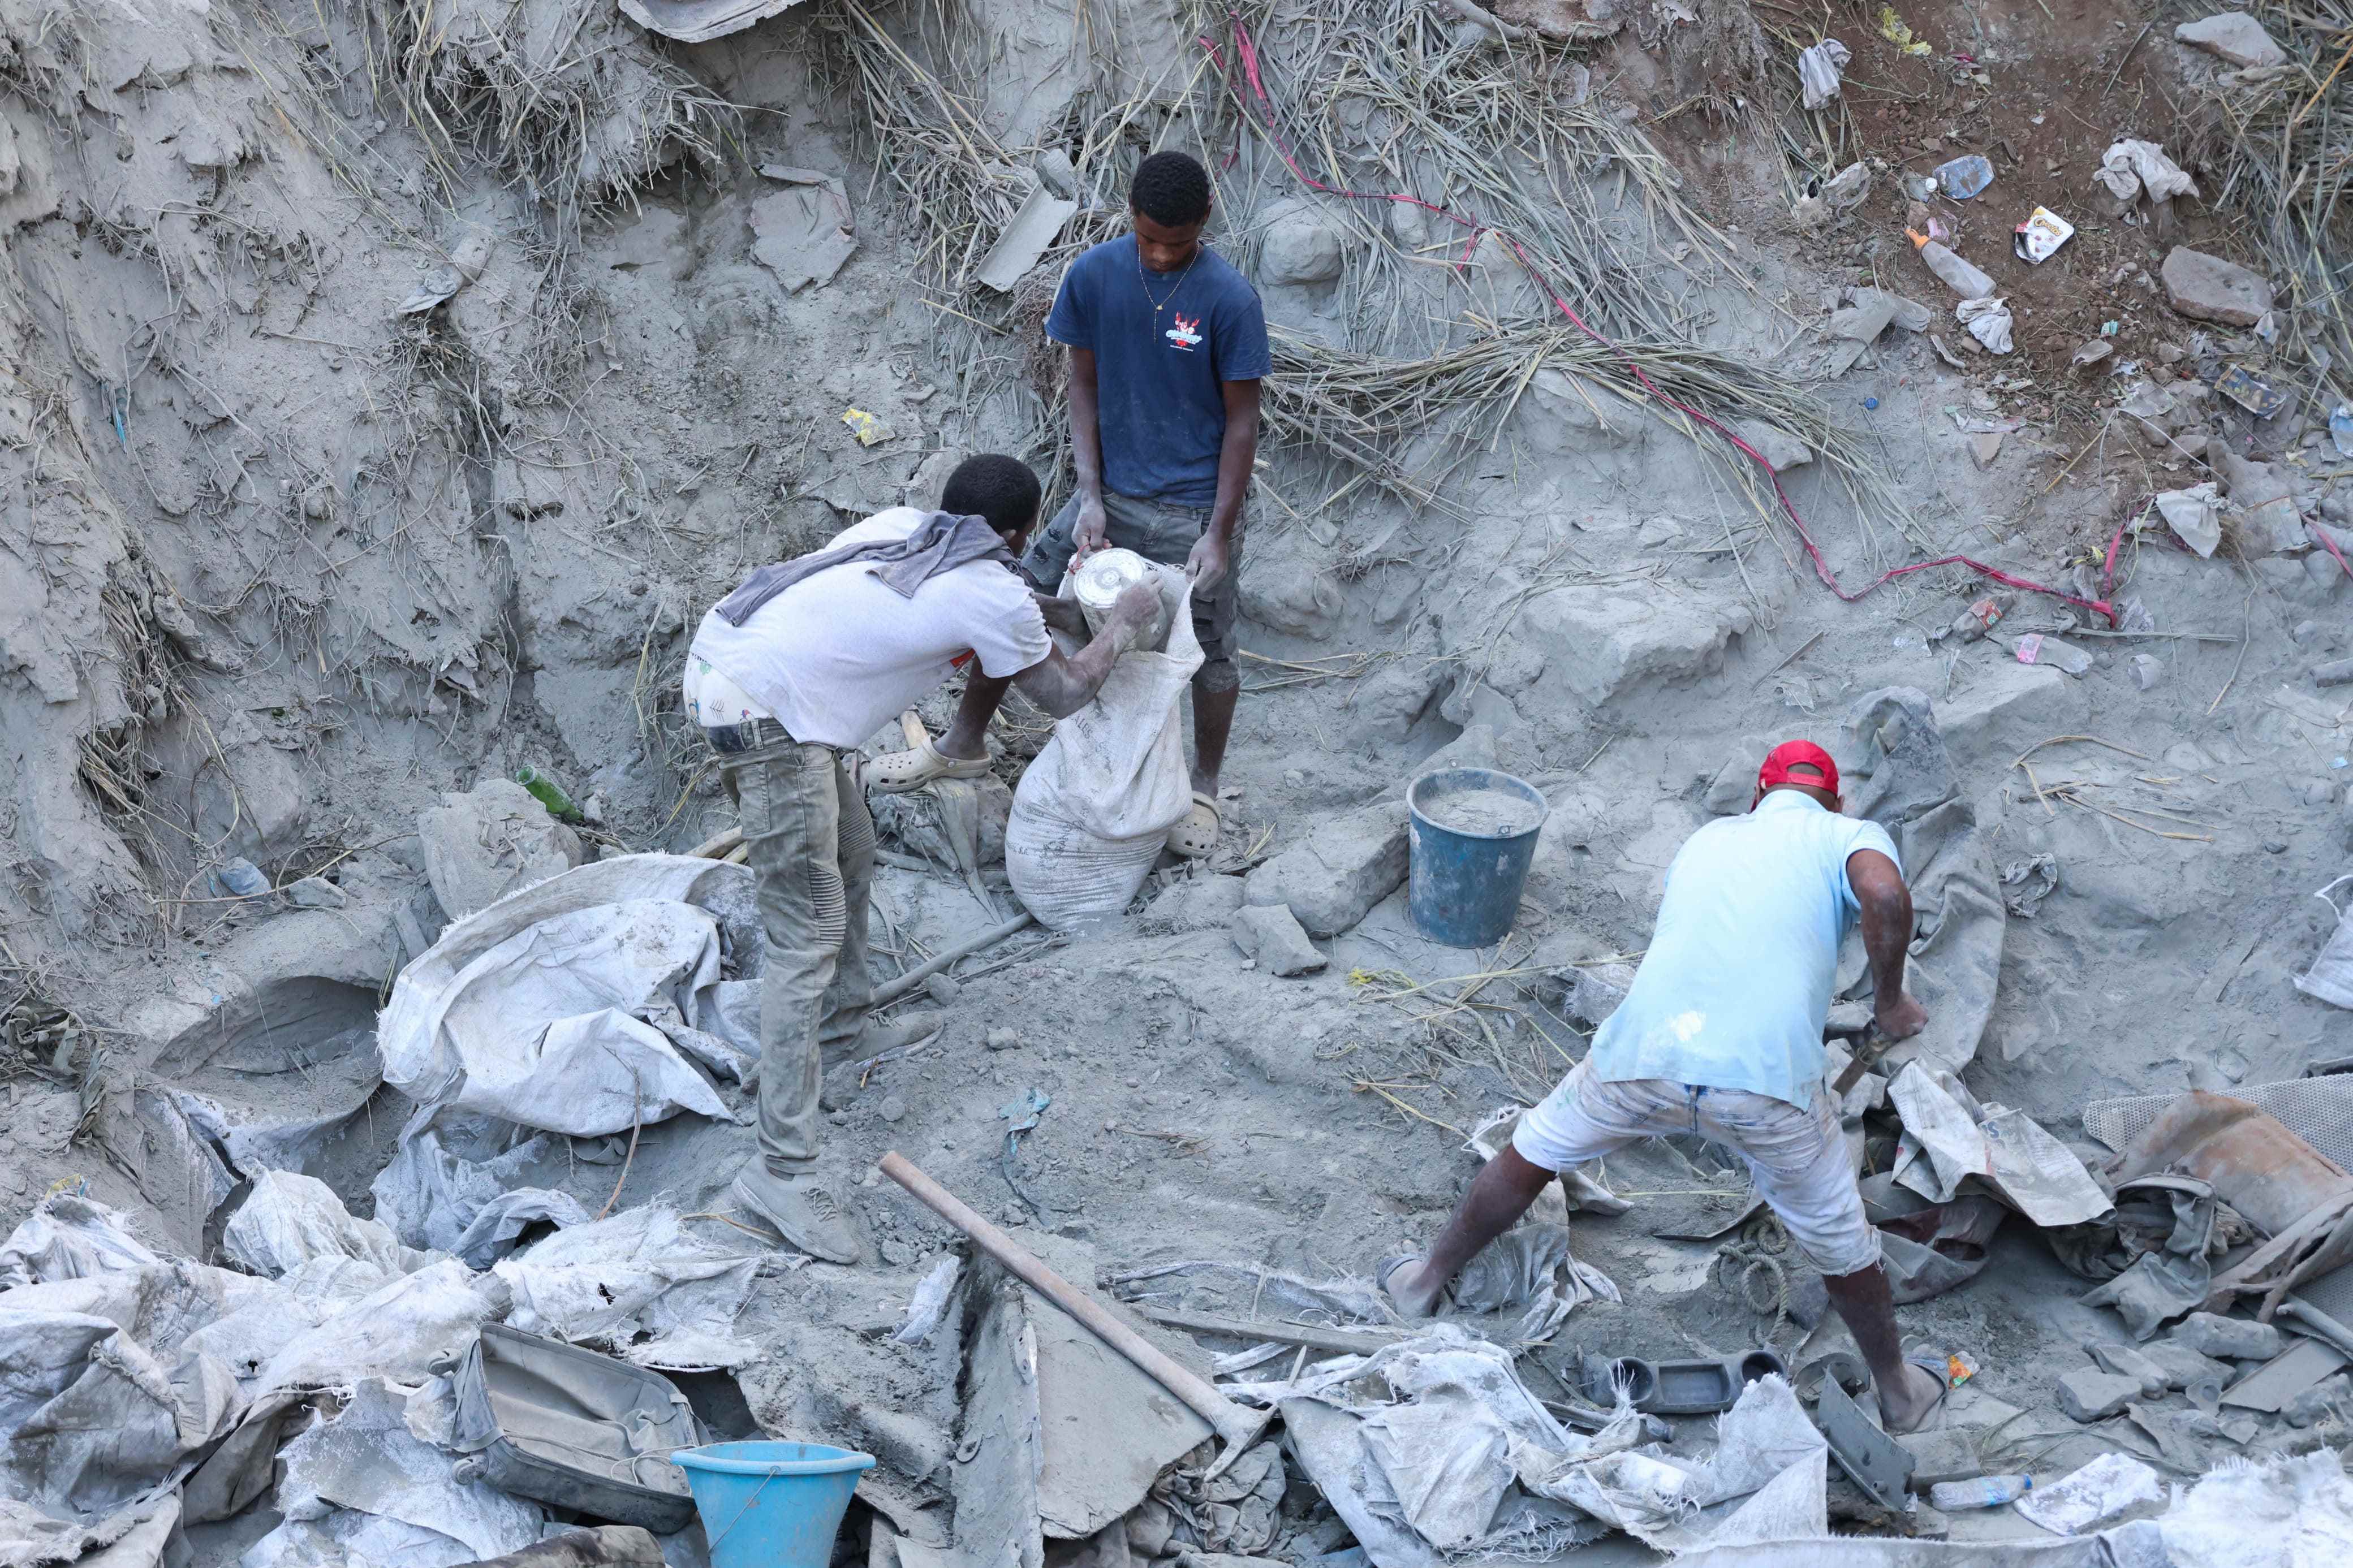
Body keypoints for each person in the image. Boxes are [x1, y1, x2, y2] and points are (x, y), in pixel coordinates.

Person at [1380, 741, 1957, 1433]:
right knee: (1839, 1236)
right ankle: (1897, 1392)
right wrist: (1889, 1002)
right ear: (1835, 801)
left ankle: (1420, 1283)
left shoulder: (1710, 837)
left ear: (1755, 799)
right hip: (1764, 1083)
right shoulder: (1847, 833)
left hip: (1643, 1052)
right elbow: (1885, 893)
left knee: (1532, 1150)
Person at [683, 454, 1157, 1263]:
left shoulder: (910, 529)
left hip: (743, 669)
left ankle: (842, 1030)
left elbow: (1005, 614)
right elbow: (1065, 691)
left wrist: (1065, 608)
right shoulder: (990, 589)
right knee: (807, 936)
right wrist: (1123, 621)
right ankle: (780, 1171)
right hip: (766, 717)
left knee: (853, 851)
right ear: (1015, 533)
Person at [869, 150, 1269, 858]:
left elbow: (1242, 422)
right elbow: (1081, 385)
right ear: (1129, 215)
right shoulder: (1094, 275)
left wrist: (1217, 533)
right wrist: (1088, 493)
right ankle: (964, 742)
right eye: (1147, 237)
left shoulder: (1228, 299)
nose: (1158, 253)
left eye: (1174, 243)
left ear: (1204, 220)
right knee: (1009, 600)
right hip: (1109, 491)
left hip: (1191, 504)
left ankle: (1201, 789)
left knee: (1208, 650)